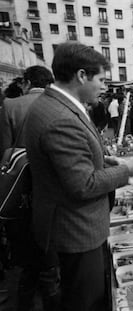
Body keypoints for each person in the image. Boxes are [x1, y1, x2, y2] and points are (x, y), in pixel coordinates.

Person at [24, 42, 133, 311]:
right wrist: (127, 169)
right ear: (81, 76)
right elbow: (82, 184)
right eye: (101, 80)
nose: (104, 87)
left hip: (76, 225)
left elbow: (74, 159)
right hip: (77, 230)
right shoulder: (59, 118)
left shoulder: (59, 106)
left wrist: (106, 160)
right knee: (85, 301)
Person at [0, 66, 59, 310]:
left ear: (26, 82)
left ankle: (26, 296)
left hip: (20, 186)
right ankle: (51, 293)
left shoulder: (11, 106)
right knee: (50, 250)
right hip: (51, 187)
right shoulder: (57, 106)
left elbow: (4, 151)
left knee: (26, 250)